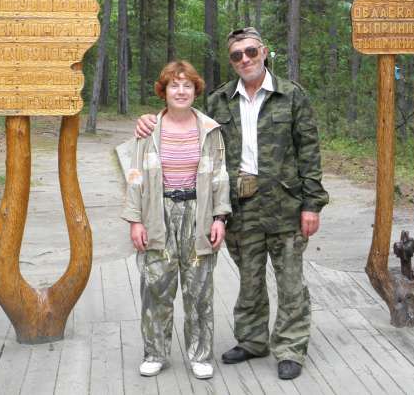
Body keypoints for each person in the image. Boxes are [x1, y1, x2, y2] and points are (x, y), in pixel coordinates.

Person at [135, 27, 329, 380]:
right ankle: (253, 340)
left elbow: (309, 151)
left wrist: (311, 204)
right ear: (232, 61)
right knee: (249, 278)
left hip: (286, 202)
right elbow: (185, 122)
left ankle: (290, 347)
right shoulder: (220, 100)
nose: (245, 59)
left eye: (251, 51)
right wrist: (148, 120)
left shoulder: (291, 95)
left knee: (290, 281)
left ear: (264, 52)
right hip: (242, 204)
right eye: (237, 55)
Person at [122, 60, 231, 380]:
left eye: (187, 85)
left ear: (195, 90)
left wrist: (219, 218)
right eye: (174, 85)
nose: (181, 91)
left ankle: (200, 354)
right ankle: (155, 353)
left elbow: (220, 176)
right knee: (156, 287)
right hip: (158, 213)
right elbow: (135, 176)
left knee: (199, 290)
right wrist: (135, 221)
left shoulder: (210, 130)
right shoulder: (148, 131)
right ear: (164, 91)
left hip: (198, 215)